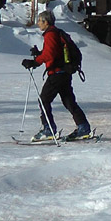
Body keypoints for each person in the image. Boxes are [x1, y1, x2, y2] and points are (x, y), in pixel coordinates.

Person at [21, 10, 91, 141]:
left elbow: (50, 55)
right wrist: (39, 53)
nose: (38, 23)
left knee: (44, 100)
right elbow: (53, 52)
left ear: (45, 22)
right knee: (69, 101)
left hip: (57, 73)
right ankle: (83, 127)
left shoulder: (51, 34)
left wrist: (35, 62)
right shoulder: (56, 32)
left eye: (39, 21)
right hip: (64, 72)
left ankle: (48, 129)